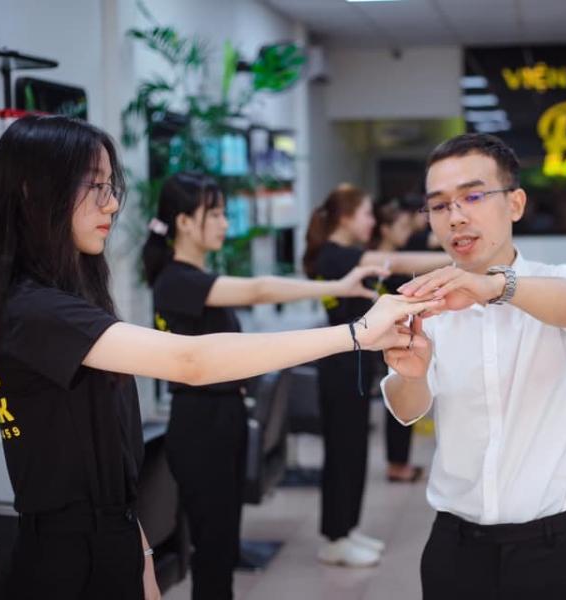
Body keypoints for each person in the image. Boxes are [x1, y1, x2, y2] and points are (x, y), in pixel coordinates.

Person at [0, 115, 440, 600]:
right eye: (95, 187)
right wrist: (356, 333)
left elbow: (106, 465)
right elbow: (192, 360)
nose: (111, 203)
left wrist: (141, 552)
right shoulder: (36, 311)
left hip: (109, 546)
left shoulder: (65, 303)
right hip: (63, 566)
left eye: (111, 187)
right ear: (33, 192)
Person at [141, 172, 390, 600]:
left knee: (221, 547)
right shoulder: (178, 280)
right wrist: (334, 286)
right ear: (184, 222)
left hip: (224, 419)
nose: (224, 223)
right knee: (213, 550)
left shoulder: (193, 278)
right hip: (202, 423)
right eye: (214, 214)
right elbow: (258, 289)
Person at [383, 133, 566, 599]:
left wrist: (493, 287)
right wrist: (413, 371)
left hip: (555, 548)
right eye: (440, 205)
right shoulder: (425, 305)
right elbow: (408, 409)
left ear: (516, 204)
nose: (457, 217)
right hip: (457, 549)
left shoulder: (561, 280)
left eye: (474, 196)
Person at [303, 184, 452, 567]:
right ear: (346, 218)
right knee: (343, 452)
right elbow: (397, 262)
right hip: (339, 364)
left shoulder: (340, 255)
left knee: (352, 451)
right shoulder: (337, 256)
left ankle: (346, 530)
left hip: (351, 363)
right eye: (367, 214)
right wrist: (460, 258)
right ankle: (335, 537)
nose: (372, 221)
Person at [370, 200, 425, 484]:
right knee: (396, 400)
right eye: (401, 226)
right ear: (385, 229)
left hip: (398, 339)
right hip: (385, 343)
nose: (407, 231)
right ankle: (397, 464)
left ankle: (399, 461)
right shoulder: (378, 262)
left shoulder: (396, 257)